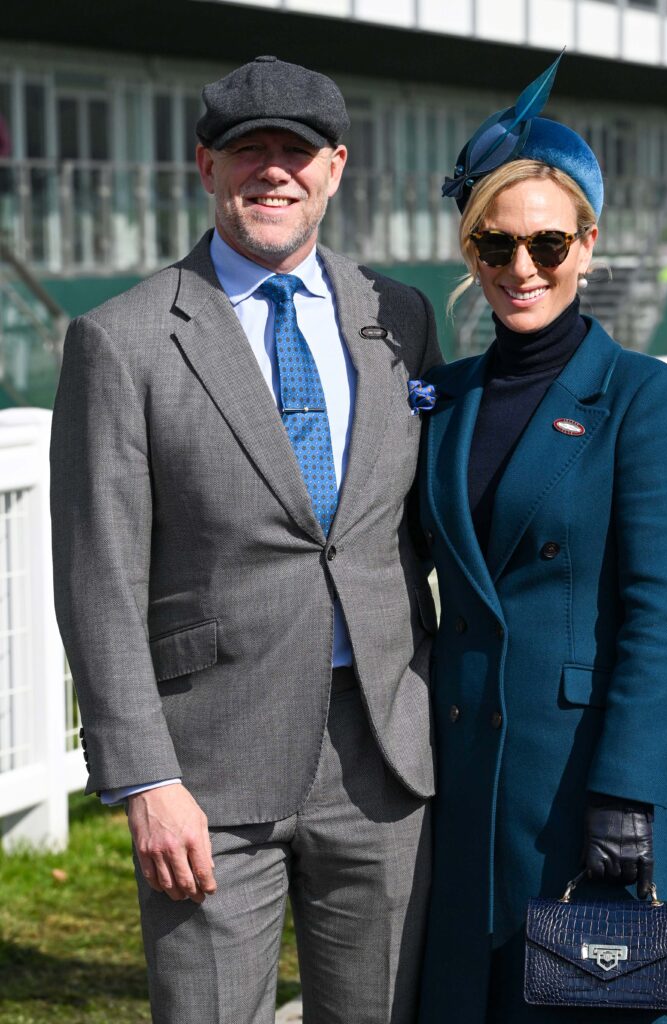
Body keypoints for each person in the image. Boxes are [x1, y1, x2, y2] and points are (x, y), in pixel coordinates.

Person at [50, 55, 442, 1024]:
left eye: (296, 151)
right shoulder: (122, 340)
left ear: (336, 167)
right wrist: (145, 777)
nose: (274, 170)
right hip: (206, 775)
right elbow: (96, 578)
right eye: (247, 150)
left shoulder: (399, 317)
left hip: (382, 759)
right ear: (205, 167)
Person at [416, 53, 667, 1024]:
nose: (522, 270)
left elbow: (661, 614)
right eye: (495, 248)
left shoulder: (644, 399)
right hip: (464, 786)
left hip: (584, 787)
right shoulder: (446, 401)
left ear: (589, 242)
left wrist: (626, 792)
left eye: (547, 244)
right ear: (472, 254)